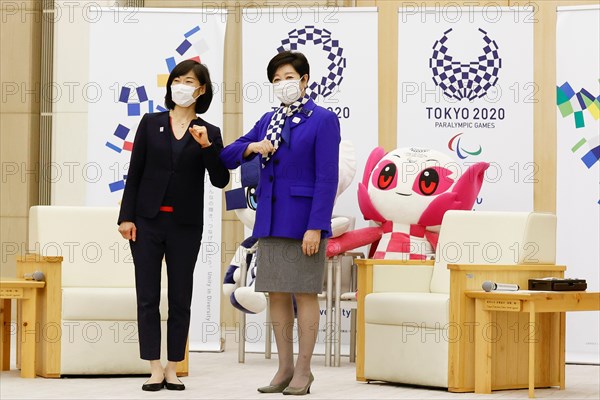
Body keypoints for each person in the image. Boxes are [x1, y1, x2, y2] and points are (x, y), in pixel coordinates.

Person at [220, 51, 340, 395]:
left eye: (288, 77)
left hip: (304, 222)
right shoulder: (269, 119)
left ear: (304, 80)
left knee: (304, 294)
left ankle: (304, 370)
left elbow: (326, 177)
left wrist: (316, 226)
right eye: (275, 80)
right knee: (275, 294)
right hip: (270, 220)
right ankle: (284, 368)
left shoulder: (323, 119)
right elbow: (228, 154)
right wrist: (253, 147)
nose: (282, 84)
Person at [117, 60, 229, 391]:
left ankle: (173, 367)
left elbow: (221, 179)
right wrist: (126, 217)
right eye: (176, 79)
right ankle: (153, 366)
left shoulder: (210, 132)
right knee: (148, 296)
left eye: (188, 80)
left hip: (185, 225)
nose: (180, 84)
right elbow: (134, 173)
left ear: (201, 89)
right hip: (147, 222)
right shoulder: (151, 123)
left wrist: (207, 145)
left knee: (181, 296)